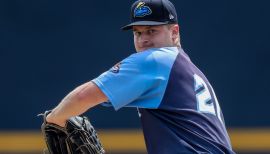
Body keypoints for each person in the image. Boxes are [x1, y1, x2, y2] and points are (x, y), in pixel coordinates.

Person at [46, 0, 235, 153]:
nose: (143, 39)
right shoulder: (186, 68)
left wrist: (54, 121)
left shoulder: (156, 60)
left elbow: (83, 97)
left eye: (152, 31)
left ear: (174, 32)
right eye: (137, 33)